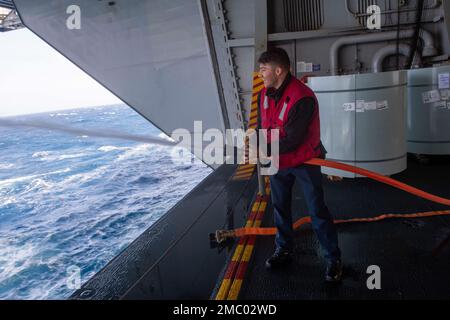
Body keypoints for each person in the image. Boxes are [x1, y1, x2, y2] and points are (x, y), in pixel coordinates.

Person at [257, 47, 342, 282]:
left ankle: (333, 258)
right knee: (280, 207)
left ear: (278, 70)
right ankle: (283, 249)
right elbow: (260, 125)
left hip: (305, 160)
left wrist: (261, 149)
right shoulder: (262, 94)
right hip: (277, 161)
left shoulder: (302, 97)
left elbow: (293, 140)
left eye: (264, 70)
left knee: (317, 211)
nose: (260, 74)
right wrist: (255, 142)